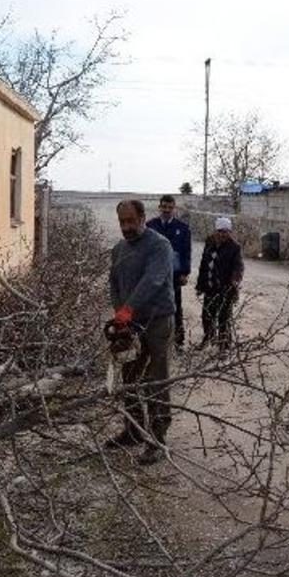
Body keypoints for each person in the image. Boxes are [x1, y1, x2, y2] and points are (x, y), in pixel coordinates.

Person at [107, 199, 176, 465]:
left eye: (130, 221)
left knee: (157, 377)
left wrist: (129, 309)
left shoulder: (160, 245)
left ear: (142, 218)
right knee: (130, 375)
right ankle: (133, 430)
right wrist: (119, 313)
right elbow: (113, 283)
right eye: (122, 222)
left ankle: (158, 438)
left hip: (157, 319)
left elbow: (154, 280)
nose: (126, 227)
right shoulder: (118, 250)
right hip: (130, 323)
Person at [146, 194, 191, 348]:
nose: (166, 210)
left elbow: (186, 252)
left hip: (174, 276)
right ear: (159, 207)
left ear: (174, 209)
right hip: (154, 275)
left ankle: (178, 342)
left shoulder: (182, 228)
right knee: (153, 307)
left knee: (175, 307)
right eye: (164, 207)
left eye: (169, 207)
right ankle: (154, 341)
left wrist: (185, 273)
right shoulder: (150, 226)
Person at [196, 217, 244, 352]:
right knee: (206, 315)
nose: (223, 234)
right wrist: (200, 285)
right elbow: (203, 264)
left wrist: (234, 280)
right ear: (216, 231)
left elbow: (238, 267)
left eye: (226, 231)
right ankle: (208, 339)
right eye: (220, 231)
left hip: (225, 289)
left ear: (230, 232)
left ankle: (224, 347)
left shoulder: (234, 247)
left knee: (224, 318)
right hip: (210, 287)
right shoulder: (209, 242)